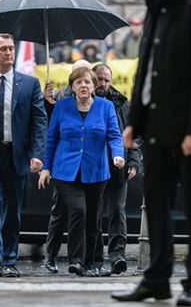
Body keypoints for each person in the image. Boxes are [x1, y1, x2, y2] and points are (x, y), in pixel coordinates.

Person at [112, 0, 191, 305]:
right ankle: (157, 279)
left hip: (190, 133)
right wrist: (134, 121)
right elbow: (144, 70)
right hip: (156, 129)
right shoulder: (155, 9)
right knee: (156, 206)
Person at [0, 33, 47, 278]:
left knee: (12, 210)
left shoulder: (29, 84)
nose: (9, 53)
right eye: (3, 49)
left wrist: (38, 154)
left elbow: (39, 122)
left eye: (11, 48)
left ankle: (8, 259)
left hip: (16, 155)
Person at [38, 67, 124, 276]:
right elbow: (52, 139)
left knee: (94, 219)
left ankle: (93, 263)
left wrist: (117, 154)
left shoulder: (106, 107)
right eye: (78, 83)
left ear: (94, 85)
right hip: (65, 172)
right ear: (72, 87)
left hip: (96, 171)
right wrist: (46, 168)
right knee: (78, 211)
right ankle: (76, 260)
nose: (83, 86)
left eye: (87, 82)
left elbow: (114, 135)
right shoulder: (62, 106)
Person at [42, 59, 94, 274]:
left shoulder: (96, 97)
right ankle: (51, 255)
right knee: (59, 213)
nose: (84, 79)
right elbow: (49, 128)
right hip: (65, 169)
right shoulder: (61, 97)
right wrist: (47, 102)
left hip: (88, 168)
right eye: (79, 75)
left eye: (88, 74)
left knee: (82, 214)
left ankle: (82, 260)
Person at [92, 63, 141, 275]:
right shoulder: (85, 101)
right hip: (92, 166)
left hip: (117, 166)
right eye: (99, 79)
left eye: (106, 79)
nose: (102, 84)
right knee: (93, 213)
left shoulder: (122, 103)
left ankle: (117, 256)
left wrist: (134, 161)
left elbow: (134, 133)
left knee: (116, 212)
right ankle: (94, 258)